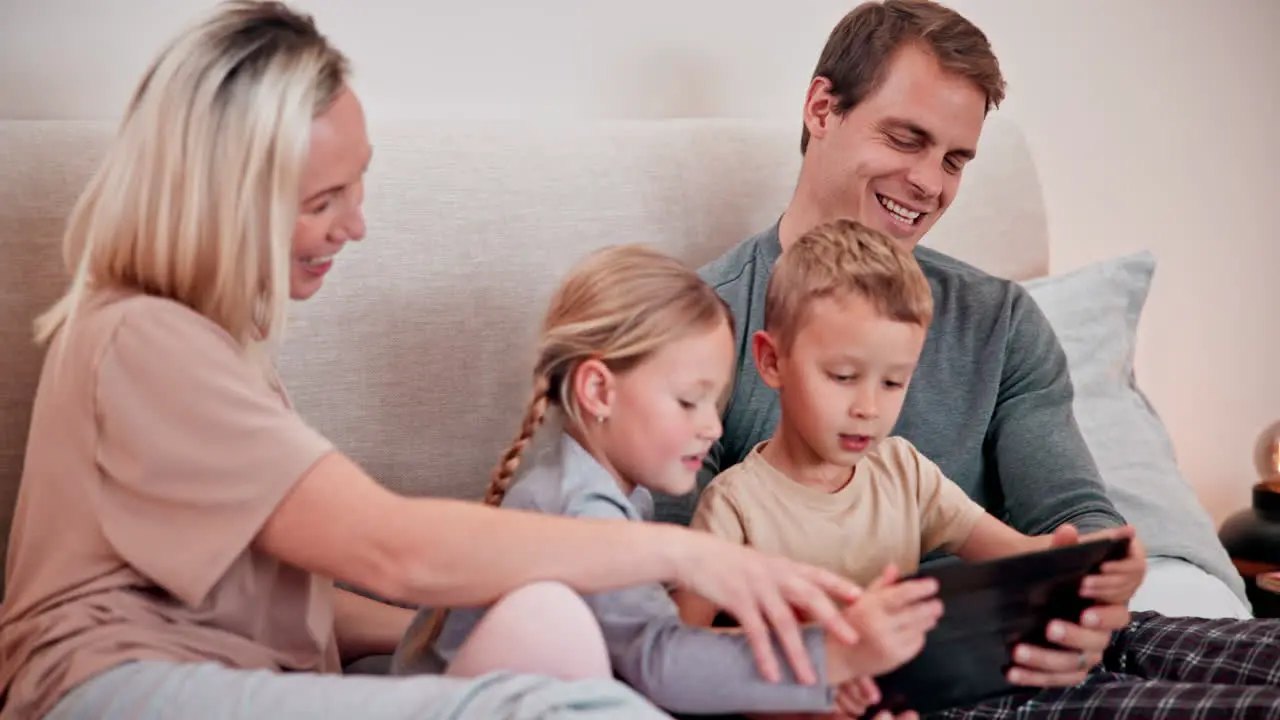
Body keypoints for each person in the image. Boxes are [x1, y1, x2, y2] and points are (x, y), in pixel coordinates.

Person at [0, 3, 879, 719]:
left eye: (358, 186)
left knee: (537, 645)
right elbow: (389, 548)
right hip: (109, 688)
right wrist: (685, 558)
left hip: (238, 676)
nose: (356, 225)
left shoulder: (221, 356)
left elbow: (309, 595)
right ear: (221, 203)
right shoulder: (146, 341)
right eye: (321, 201)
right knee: (536, 708)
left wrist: (439, 623)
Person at [654, 1, 1280, 717]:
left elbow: (1070, 514)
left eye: (954, 159)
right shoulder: (700, 329)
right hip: (901, 688)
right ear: (822, 108)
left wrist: (1100, 586)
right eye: (906, 138)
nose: (929, 183)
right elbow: (668, 605)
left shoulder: (1001, 319)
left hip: (1042, 638)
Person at [390, 243, 942, 719]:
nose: (712, 426)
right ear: (599, 392)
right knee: (552, 620)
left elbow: (638, 652)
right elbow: (659, 661)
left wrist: (815, 691)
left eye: (715, 400)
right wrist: (833, 655)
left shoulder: (617, 490)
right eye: (688, 401)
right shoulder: (577, 504)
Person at [673, 218, 1145, 716]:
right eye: (843, 376)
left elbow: (1019, 557)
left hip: (935, 687)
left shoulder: (903, 470)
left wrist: (1097, 563)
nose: (868, 408)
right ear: (771, 361)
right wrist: (803, 699)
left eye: (894, 383)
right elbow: (683, 654)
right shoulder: (735, 506)